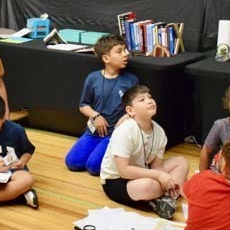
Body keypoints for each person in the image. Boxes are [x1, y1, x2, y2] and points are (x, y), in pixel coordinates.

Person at [99, 85, 188, 219]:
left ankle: (165, 198)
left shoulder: (159, 131)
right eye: (142, 100)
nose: (149, 101)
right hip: (117, 181)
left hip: (143, 171)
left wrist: (165, 178)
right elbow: (124, 171)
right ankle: (164, 195)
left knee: (181, 162)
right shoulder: (125, 130)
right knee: (148, 185)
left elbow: (157, 166)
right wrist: (161, 176)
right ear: (130, 110)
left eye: (150, 97)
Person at [65, 34, 139, 176]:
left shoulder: (131, 80)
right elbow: (83, 105)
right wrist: (95, 115)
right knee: (72, 162)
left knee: (93, 167)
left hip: (114, 135)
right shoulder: (93, 78)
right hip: (93, 132)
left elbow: (136, 108)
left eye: (125, 50)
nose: (126, 54)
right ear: (106, 58)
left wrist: (126, 117)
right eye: (120, 51)